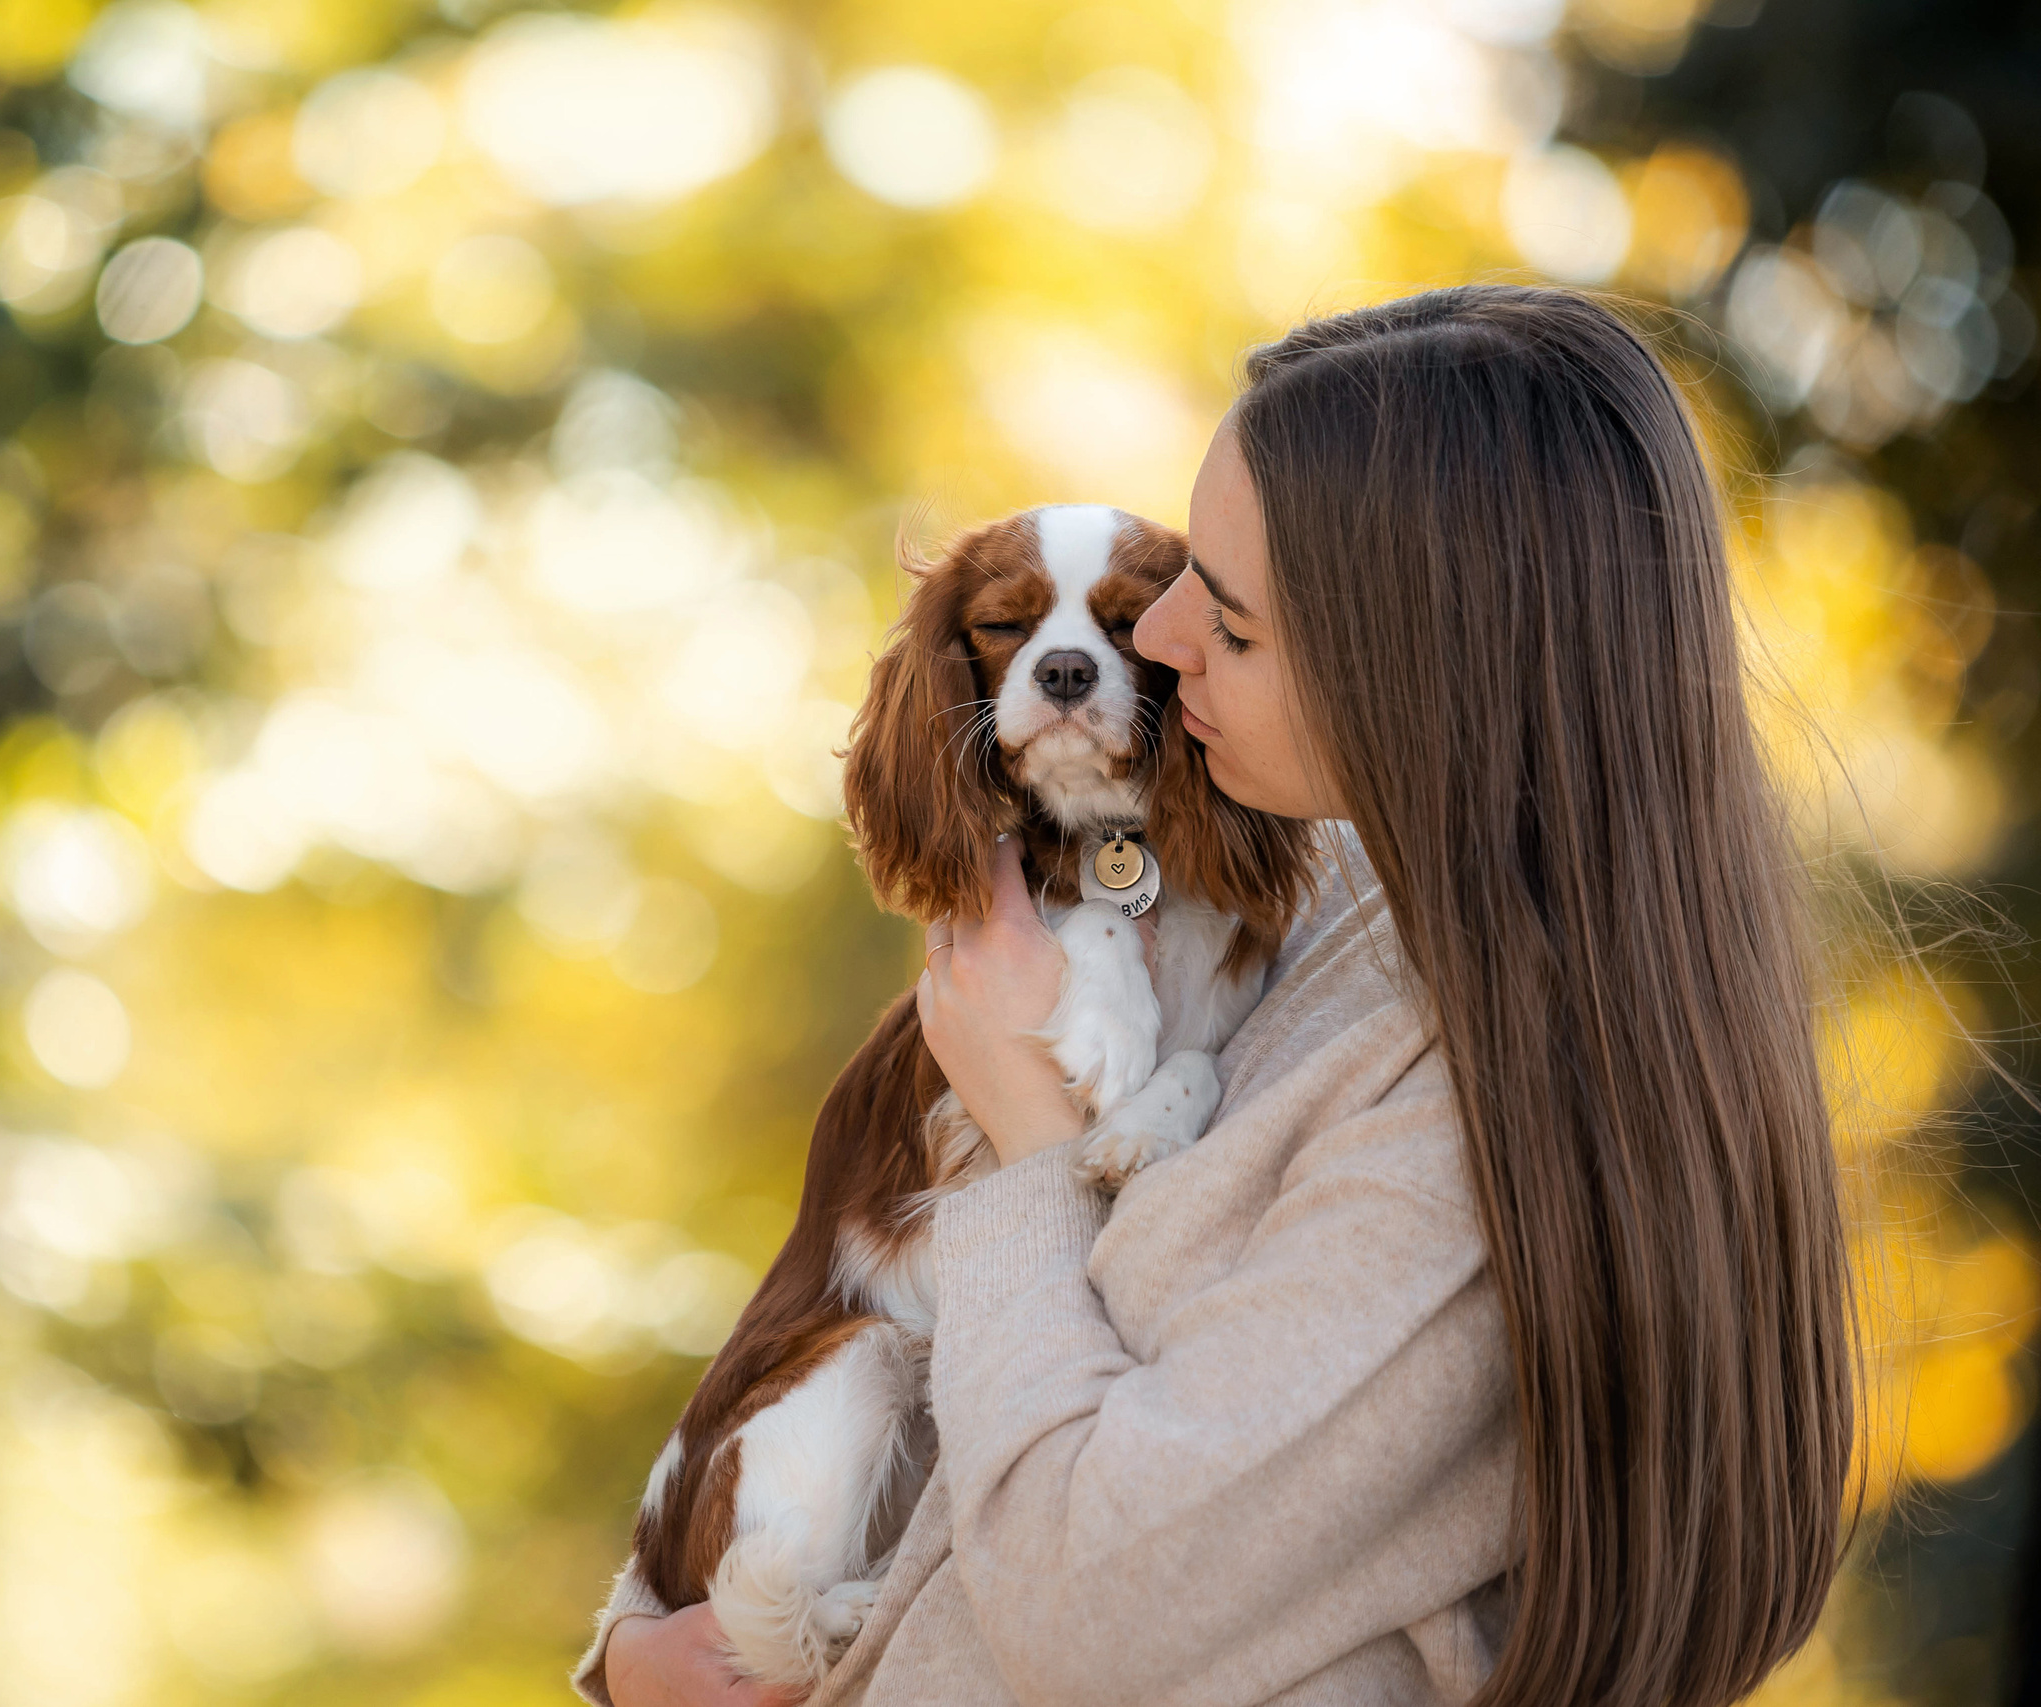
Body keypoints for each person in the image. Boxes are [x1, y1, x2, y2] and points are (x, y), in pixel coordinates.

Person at [592, 285, 1854, 1707]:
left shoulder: (1480, 1119)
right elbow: (937, 1416)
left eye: (1232, 624)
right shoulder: (1297, 902)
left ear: (1420, 676)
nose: (1165, 639)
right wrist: (634, 1659)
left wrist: (1025, 1134)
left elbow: (1089, 1610)